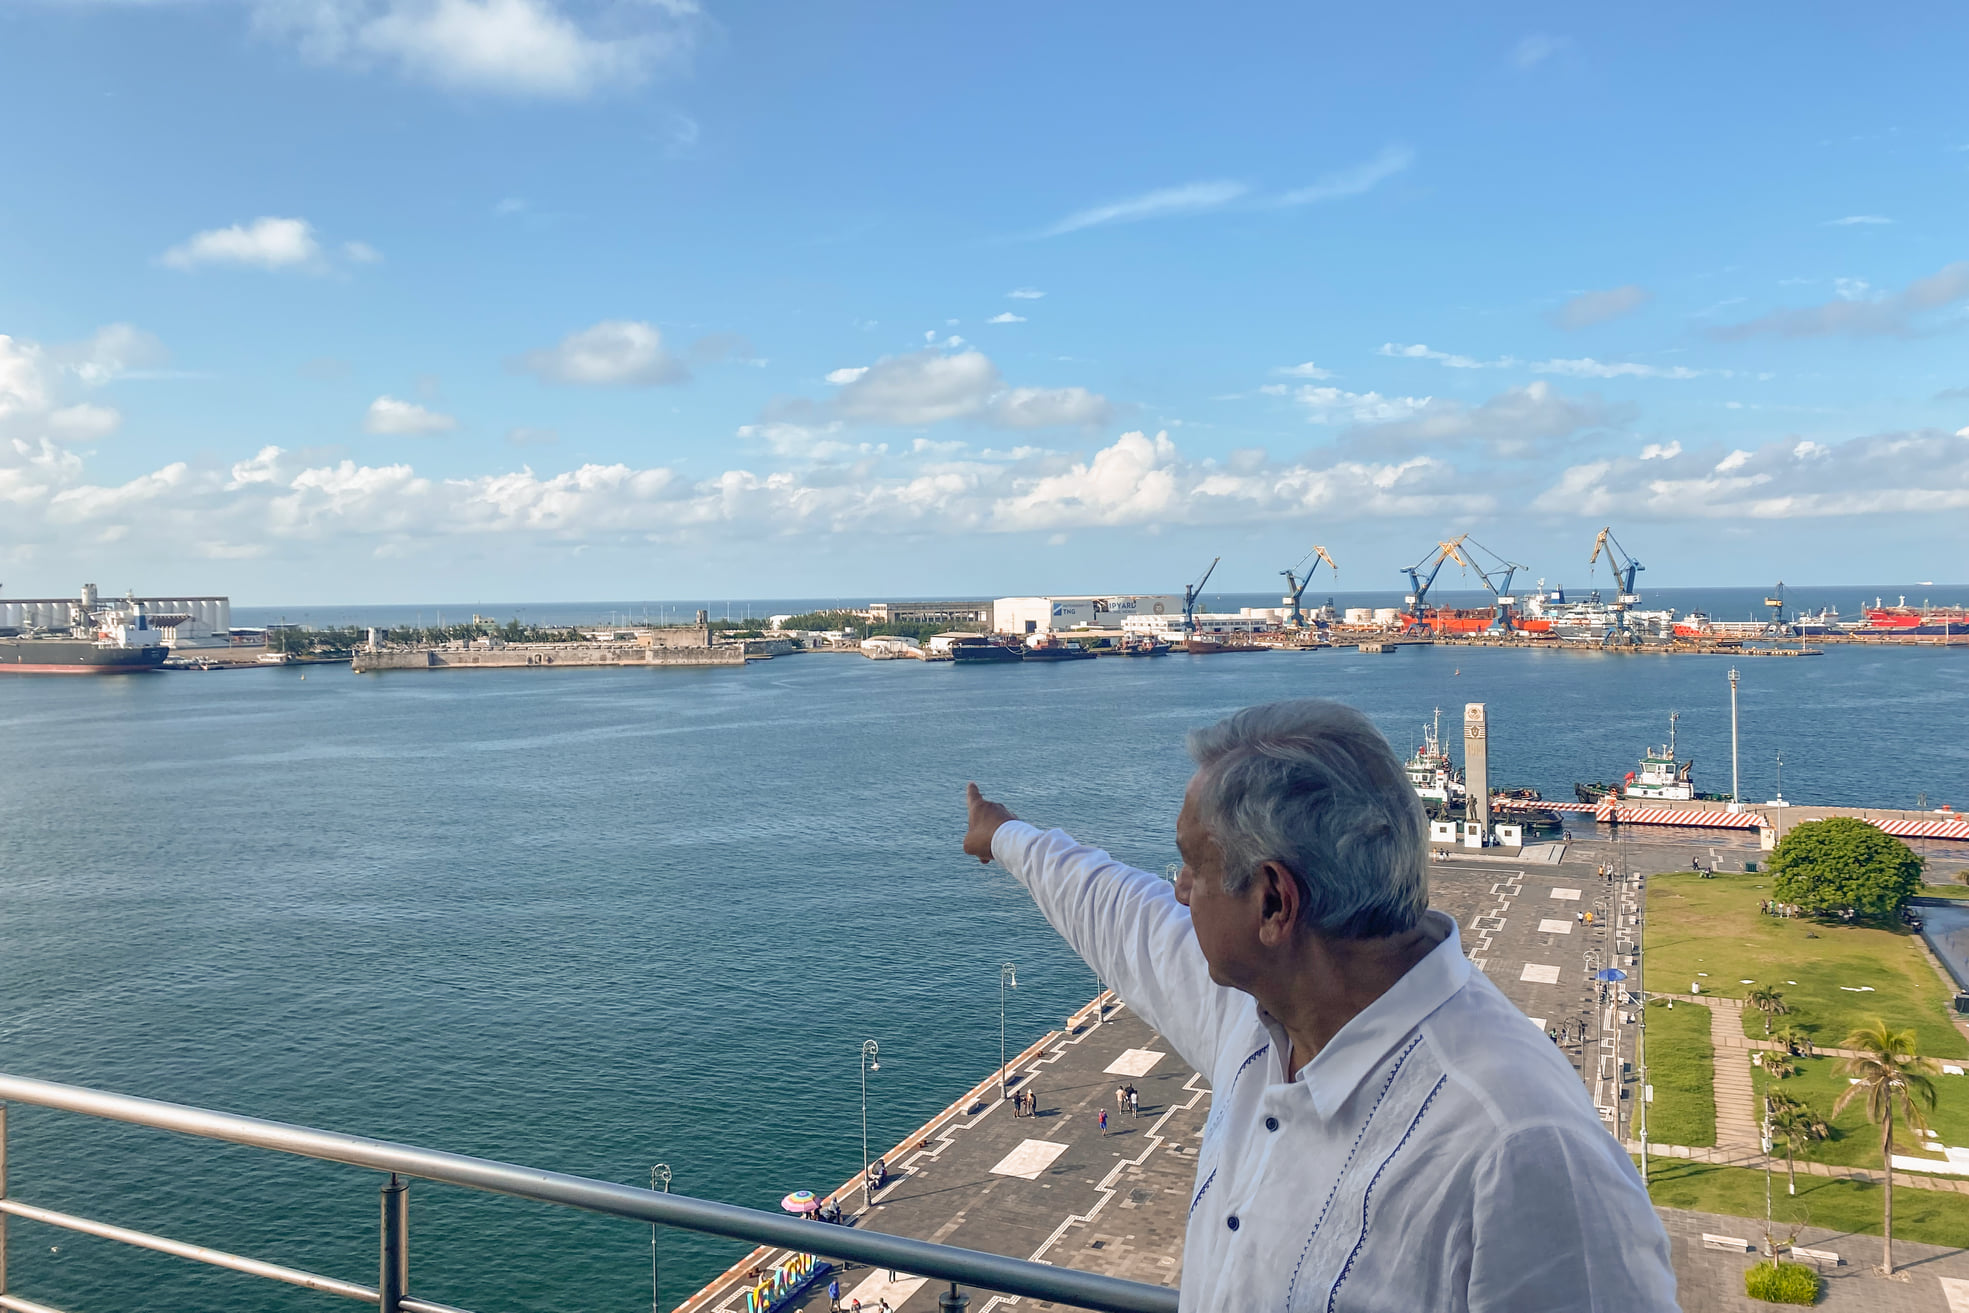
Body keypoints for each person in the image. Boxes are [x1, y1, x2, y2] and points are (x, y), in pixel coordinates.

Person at [963, 699, 1676, 1313]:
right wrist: (1003, 835)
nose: (1178, 889)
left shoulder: (1521, 1148)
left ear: (1275, 901)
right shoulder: (1265, 1009)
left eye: (1193, 866)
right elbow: (1119, 911)